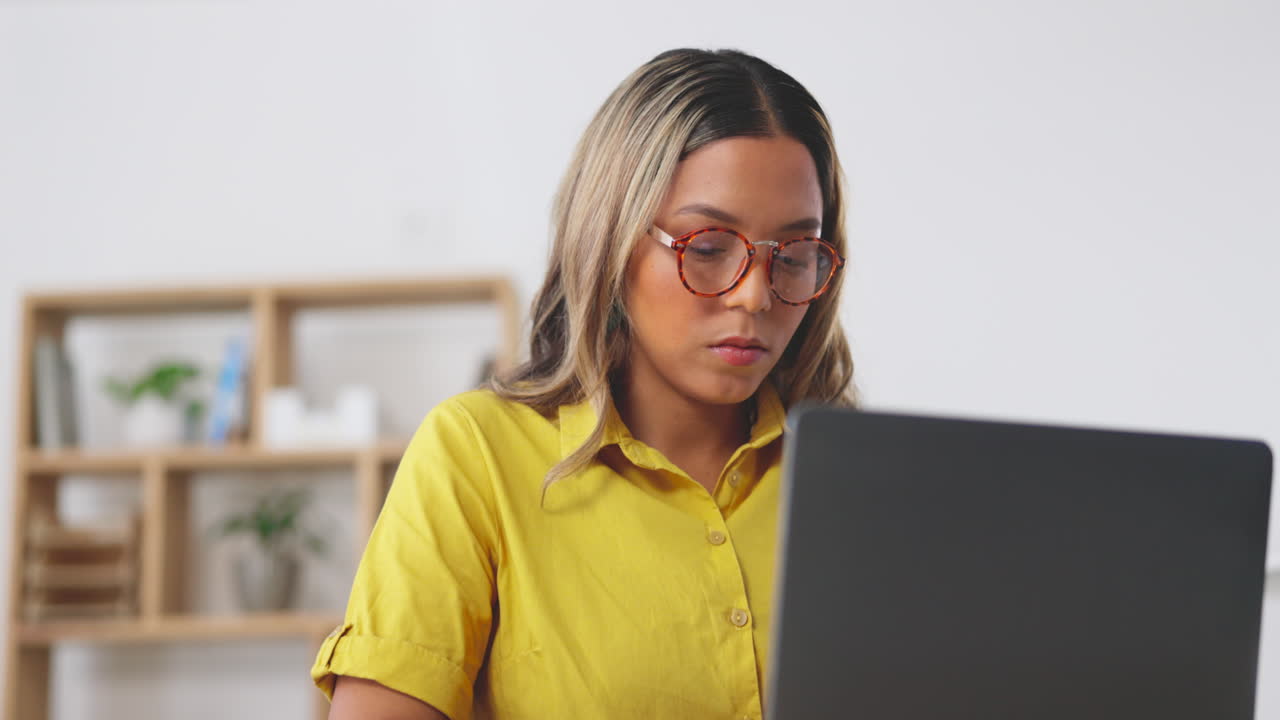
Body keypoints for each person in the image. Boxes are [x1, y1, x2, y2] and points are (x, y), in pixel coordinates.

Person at [311, 47, 857, 720]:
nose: (754, 296)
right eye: (709, 247)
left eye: (796, 256)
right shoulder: (477, 456)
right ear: (610, 235)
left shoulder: (857, 483)